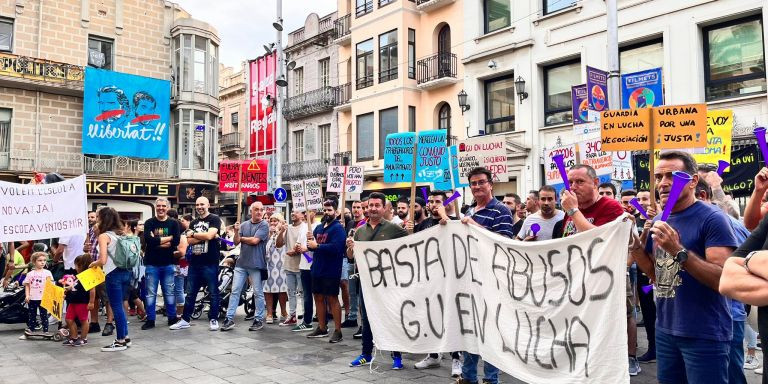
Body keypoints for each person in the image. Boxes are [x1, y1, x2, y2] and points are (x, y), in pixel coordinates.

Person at [630, 151, 738, 383]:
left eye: (672, 175)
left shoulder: (713, 218)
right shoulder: (661, 219)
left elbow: (723, 280)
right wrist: (636, 248)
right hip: (666, 330)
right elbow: (656, 275)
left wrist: (678, 250)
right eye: (659, 177)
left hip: (705, 333)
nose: (663, 183)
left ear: (693, 181)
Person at [456, 167, 514, 384]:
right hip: (470, 279)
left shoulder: (501, 211)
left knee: (491, 331)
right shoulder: (469, 210)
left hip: (492, 281)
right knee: (471, 330)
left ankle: (491, 379)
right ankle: (467, 376)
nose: (477, 186)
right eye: (473, 183)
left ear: (491, 184)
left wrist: (474, 226)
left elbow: (504, 243)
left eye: (481, 182)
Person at [347, 192, 409, 369]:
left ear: (384, 208)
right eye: (370, 206)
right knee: (366, 319)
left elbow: (410, 247)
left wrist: (411, 231)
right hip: (367, 284)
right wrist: (351, 248)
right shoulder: (360, 231)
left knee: (391, 318)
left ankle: (397, 356)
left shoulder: (394, 229)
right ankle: (366, 354)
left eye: (376, 205)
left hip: (389, 283)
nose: (372, 209)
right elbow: (351, 257)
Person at [412, 190, 462, 377]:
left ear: (446, 203)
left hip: (449, 279)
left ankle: (456, 358)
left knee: (451, 319)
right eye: (431, 201)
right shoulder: (424, 224)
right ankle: (433, 354)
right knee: (430, 317)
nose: (433, 204)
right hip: (428, 279)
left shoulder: (455, 221)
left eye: (438, 201)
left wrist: (444, 217)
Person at [172, 197, 224, 331]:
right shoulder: (194, 222)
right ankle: (185, 319)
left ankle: (213, 318)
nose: (199, 206)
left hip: (210, 261)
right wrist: (202, 236)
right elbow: (188, 241)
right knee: (190, 293)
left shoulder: (214, 219)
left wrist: (196, 234)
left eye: (202, 204)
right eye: (197, 204)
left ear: (208, 205)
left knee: (213, 292)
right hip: (194, 262)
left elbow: (209, 236)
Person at [219, 202, 269, 332]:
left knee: (258, 292)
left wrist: (241, 238)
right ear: (251, 211)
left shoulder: (264, 225)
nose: (259, 212)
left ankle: (258, 319)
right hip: (241, 263)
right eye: (256, 210)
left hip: (256, 264)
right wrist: (236, 232)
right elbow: (235, 242)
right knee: (235, 291)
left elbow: (254, 241)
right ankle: (229, 318)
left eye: (261, 210)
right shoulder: (244, 225)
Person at [303, 200, 347, 343]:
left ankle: (338, 331)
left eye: (329, 210)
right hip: (317, 268)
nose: (326, 212)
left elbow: (337, 248)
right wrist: (309, 242)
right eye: (325, 210)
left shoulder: (338, 228)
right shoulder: (319, 228)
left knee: (332, 299)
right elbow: (312, 247)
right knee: (318, 297)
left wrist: (317, 246)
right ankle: (322, 327)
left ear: (336, 212)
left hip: (331, 269)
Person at [90, 207, 133, 351]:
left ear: (103, 218)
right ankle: (125, 337)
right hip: (126, 272)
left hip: (112, 273)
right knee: (120, 306)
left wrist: (93, 263)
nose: (96, 219)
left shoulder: (104, 236)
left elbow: (102, 260)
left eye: (97, 216)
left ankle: (120, 340)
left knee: (116, 307)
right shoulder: (121, 234)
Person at [141, 197, 181, 330]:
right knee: (150, 293)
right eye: (158, 206)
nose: (161, 208)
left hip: (168, 263)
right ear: (155, 207)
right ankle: (150, 319)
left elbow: (175, 242)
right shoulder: (149, 223)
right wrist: (167, 239)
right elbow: (149, 241)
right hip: (152, 264)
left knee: (169, 292)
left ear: (167, 208)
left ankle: (172, 317)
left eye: (164, 206)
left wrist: (157, 240)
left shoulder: (174, 223)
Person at [342, 200, 366, 331]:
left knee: (361, 293)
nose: (356, 209)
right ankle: (352, 317)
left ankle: (363, 322)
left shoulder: (365, 223)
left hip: (361, 262)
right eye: (354, 207)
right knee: (352, 292)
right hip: (350, 260)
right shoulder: (350, 223)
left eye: (358, 207)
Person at [63, 254, 96, 346]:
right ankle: (74, 337)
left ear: (81, 265)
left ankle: (83, 338)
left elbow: (92, 289)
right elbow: (74, 286)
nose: (75, 267)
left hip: (82, 302)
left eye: (76, 265)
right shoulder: (78, 276)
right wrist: (67, 289)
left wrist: (91, 302)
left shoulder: (87, 276)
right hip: (73, 301)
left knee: (83, 320)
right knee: (69, 319)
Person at [277, 210, 303, 327]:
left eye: (296, 212)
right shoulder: (287, 228)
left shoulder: (304, 227)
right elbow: (278, 244)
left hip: (302, 265)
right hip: (289, 265)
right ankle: (292, 316)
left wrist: (297, 250)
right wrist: (282, 231)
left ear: (302, 215)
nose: (293, 213)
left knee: (303, 293)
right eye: (292, 211)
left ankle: (305, 316)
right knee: (291, 293)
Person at [264, 213, 289, 324]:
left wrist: (280, 231)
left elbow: (280, 244)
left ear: (281, 222)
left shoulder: (285, 232)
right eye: (271, 221)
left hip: (281, 264)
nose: (273, 223)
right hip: (268, 265)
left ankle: (283, 312)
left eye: (276, 221)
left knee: (282, 290)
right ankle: (269, 313)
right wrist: (270, 233)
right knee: (268, 289)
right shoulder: (266, 233)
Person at [23, 252, 52, 335]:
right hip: (32, 298)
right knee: (32, 314)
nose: (43, 262)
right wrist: (27, 295)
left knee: (44, 315)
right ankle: (31, 329)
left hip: (43, 298)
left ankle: (45, 330)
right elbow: (27, 286)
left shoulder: (47, 273)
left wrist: (49, 295)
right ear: (34, 261)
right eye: (40, 260)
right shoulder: (30, 274)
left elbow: (49, 285)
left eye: (44, 260)